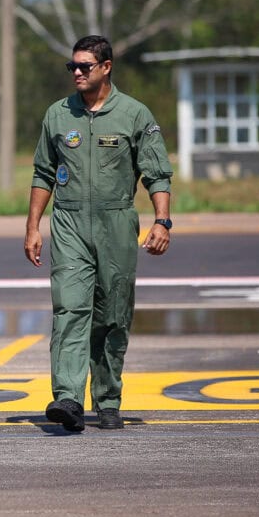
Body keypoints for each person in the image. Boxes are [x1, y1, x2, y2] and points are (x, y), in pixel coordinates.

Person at [24, 35, 173, 432]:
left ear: (106, 67)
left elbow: (157, 174)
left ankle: (107, 399)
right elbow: (43, 173)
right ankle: (68, 398)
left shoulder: (135, 114)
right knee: (70, 309)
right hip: (69, 223)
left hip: (116, 224)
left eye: (84, 66)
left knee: (112, 315)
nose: (76, 72)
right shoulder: (58, 115)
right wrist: (33, 227)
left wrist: (162, 221)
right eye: (72, 66)